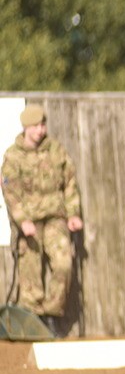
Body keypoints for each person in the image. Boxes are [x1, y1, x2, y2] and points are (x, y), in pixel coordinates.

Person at [2, 104, 83, 337]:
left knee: (64, 263)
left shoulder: (56, 151)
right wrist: (22, 220)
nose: (41, 130)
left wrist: (73, 213)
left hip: (55, 218)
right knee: (30, 272)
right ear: (26, 127)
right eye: (36, 126)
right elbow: (11, 193)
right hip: (29, 223)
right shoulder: (13, 156)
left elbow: (70, 184)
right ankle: (33, 319)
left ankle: (52, 315)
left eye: (43, 125)